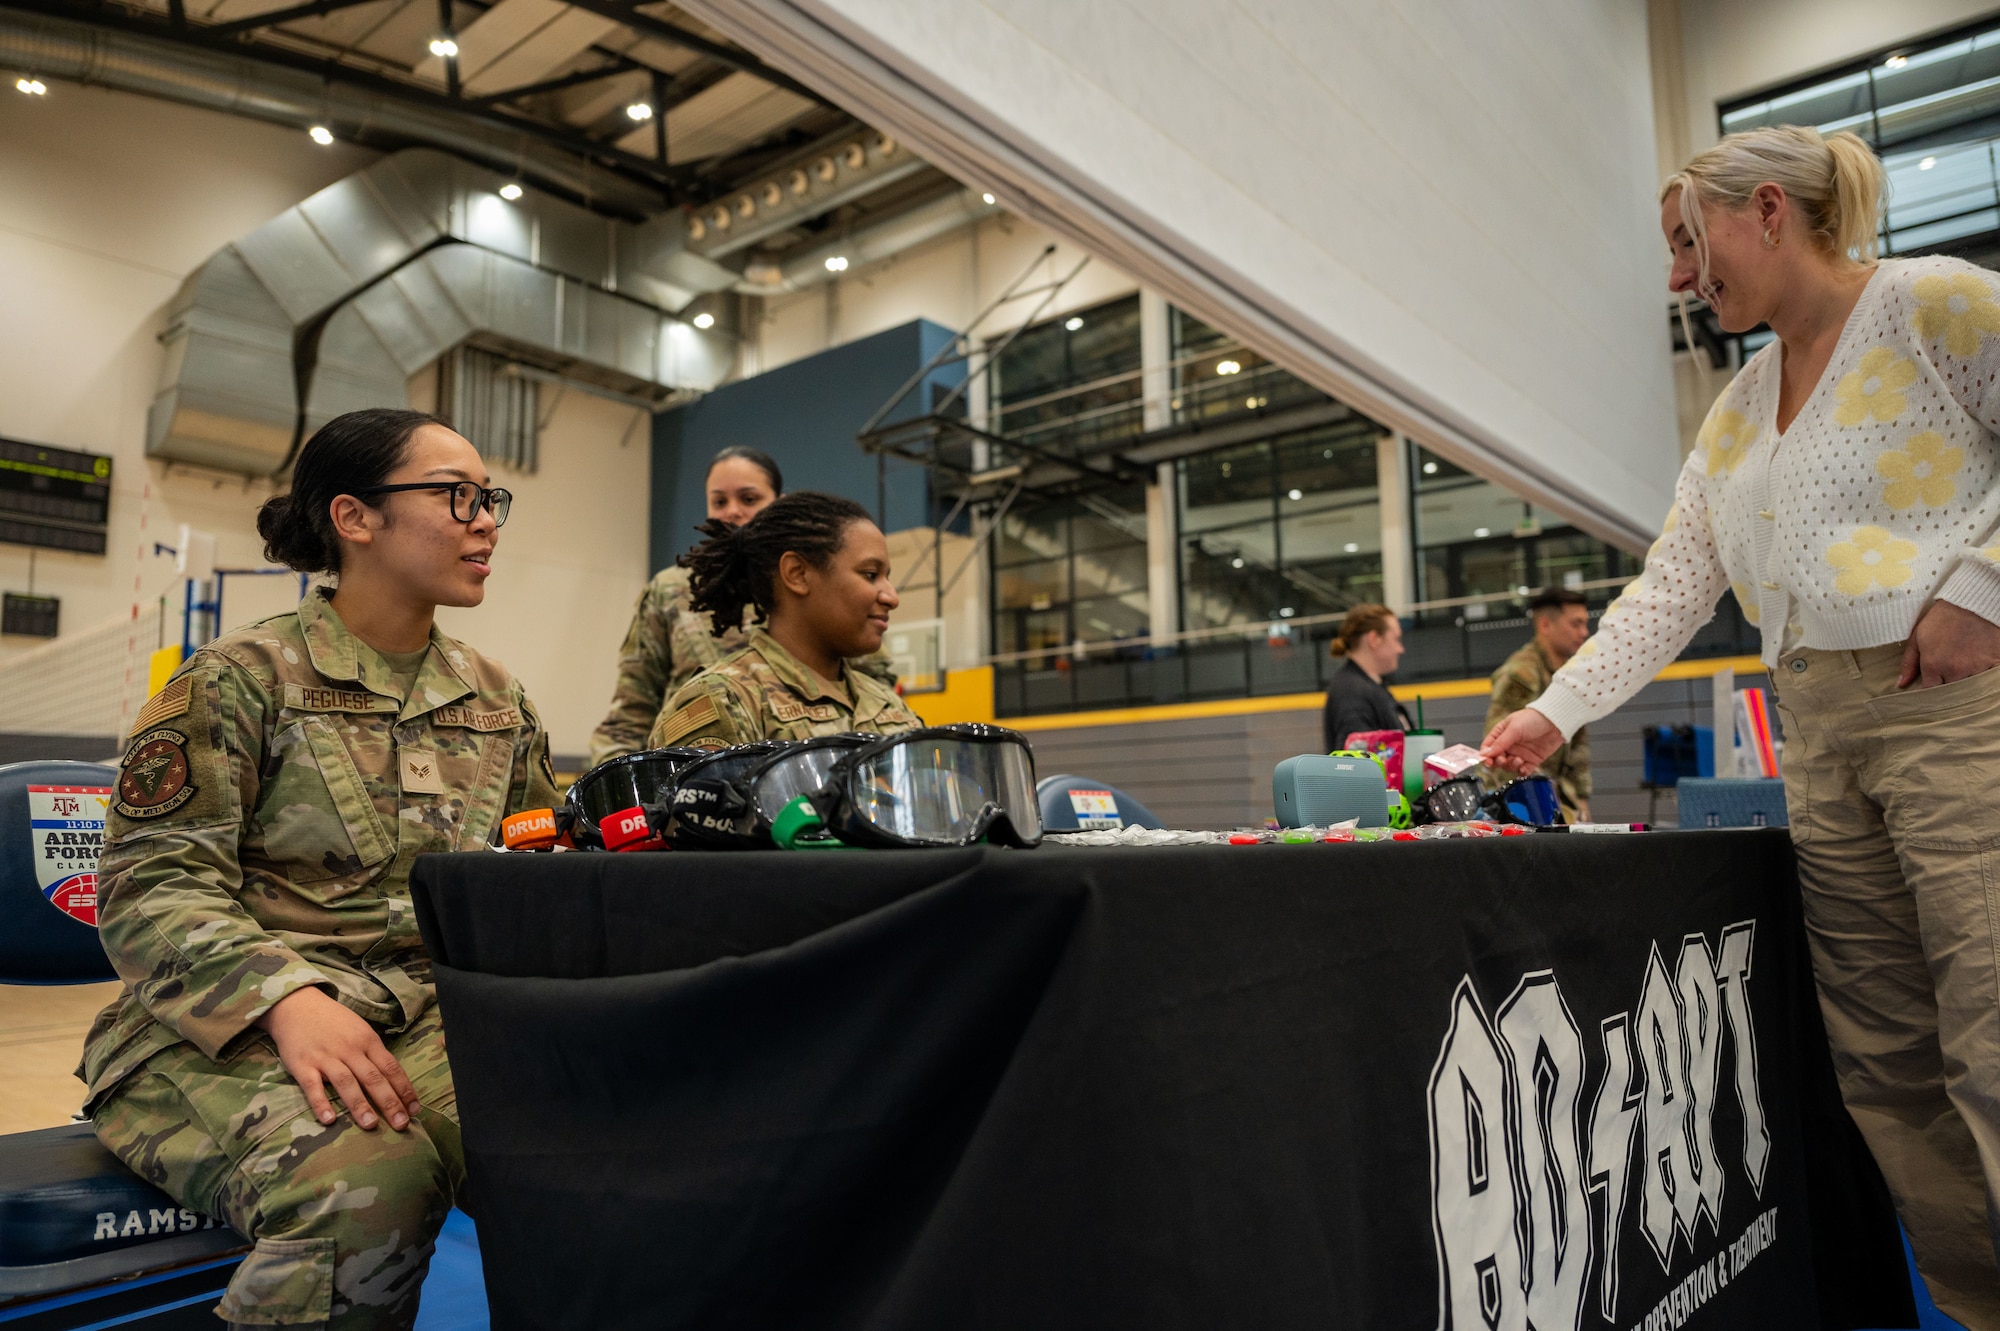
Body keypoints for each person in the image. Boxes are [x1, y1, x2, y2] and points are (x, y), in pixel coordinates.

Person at [1482, 125, 2000, 1324]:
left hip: (1953, 707)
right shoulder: (1734, 410)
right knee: (1886, 1060)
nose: (1678, 277)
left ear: (1766, 210)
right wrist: (1545, 715)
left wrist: (1980, 589)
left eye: (1685, 241)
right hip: (1816, 727)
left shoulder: (1933, 303)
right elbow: (1669, 588)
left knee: (1990, 1026)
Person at [80, 408, 559, 1331]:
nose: (485, 518)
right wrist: (287, 1000)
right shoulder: (237, 679)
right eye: (456, 494)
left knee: (574, 1152)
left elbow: (532, 866)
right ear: (355, 517)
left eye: (490, 497)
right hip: (225, 1026)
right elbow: (150, 887)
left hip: (428, 1014)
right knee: (371, 1180)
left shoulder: (498, 700)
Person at [588, 446, 896, 765]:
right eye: (719, 501)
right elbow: (630, 715)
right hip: (697, 753)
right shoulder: (670, 590)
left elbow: (873, 681)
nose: (732, 511)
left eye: (749, 499)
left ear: (780, 503)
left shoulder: (821, 588)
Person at [649, 491, 923, 750]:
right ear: (797, 574)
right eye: (870, 574)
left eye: (887, 576)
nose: (891, 597)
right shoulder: (725, 701)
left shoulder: (889, 705)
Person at [1483, 587, 1593, 822]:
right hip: (1517, 799)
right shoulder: (1520, 673)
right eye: (1575, 624)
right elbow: (1507, 755)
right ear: (1545, 625)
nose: (1584, 632)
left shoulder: (1571, 674)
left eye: (1585, 624)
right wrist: (1554, 809)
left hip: (1555, 795)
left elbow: (1578, 745)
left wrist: (1581, 803)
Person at [1320, 603, 1411, 752]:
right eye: (1396, 639)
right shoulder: (1351, 693)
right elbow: (1355, 764)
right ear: (1374, 639)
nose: (1400, 649)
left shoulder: (1369, 686)